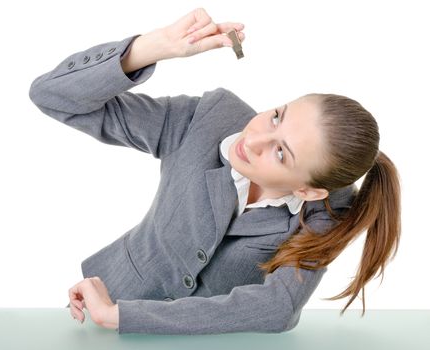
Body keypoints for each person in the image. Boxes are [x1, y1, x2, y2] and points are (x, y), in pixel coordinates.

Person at [28, 8, 401, 335]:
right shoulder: (207, 120)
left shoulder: (328, 210)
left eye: (281, 153)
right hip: (99, 305)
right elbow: (53, 96)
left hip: (206, 339)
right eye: (275, 116)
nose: (253, 139)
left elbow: (278, 307)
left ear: (307, 191)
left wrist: (122, 316)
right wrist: (155, 46)